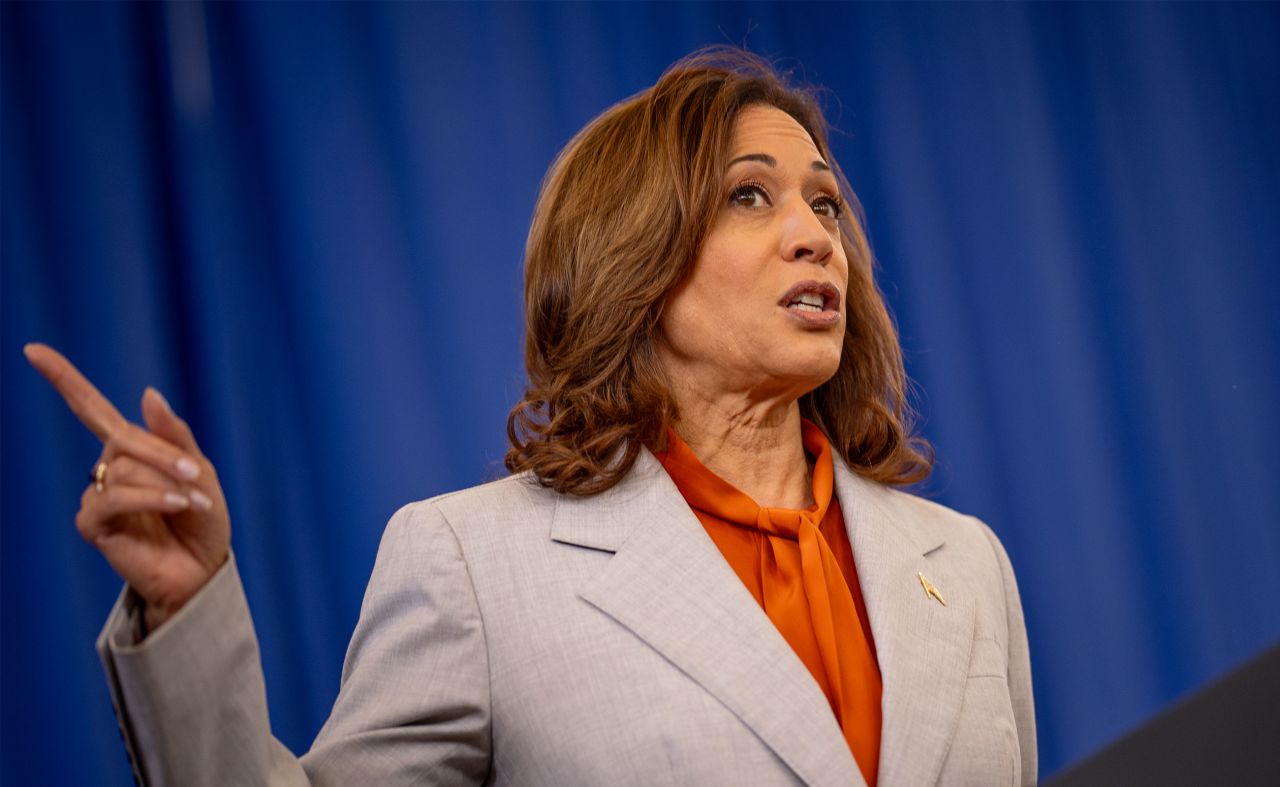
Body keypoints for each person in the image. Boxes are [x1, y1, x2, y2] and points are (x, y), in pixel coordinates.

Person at [26, 47, 1035, 786]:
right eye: (747, 196)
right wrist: (190, 606)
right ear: (635, 260)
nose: (815, 237)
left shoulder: (964, 562)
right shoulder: (473, 565)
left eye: (822, 204)